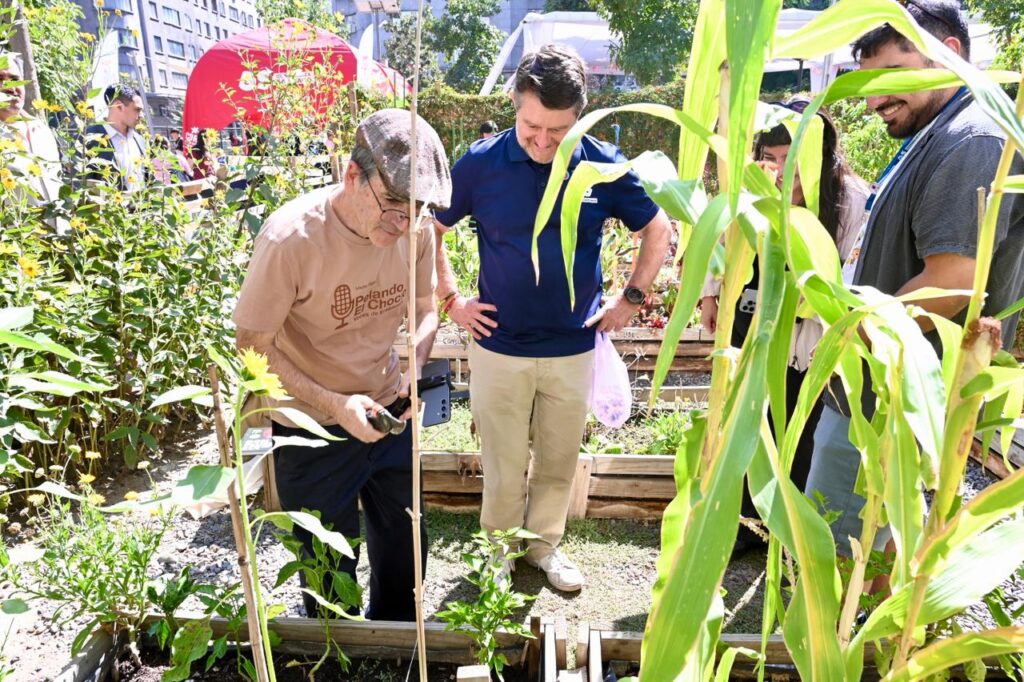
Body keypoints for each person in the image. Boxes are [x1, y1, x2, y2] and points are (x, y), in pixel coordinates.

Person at [433, 44, 672, 592]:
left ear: (579, 116)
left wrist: (631, 299)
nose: (543, 142)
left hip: (573, 347)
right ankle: (497, 551)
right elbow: (432, 230)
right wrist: (452, 300)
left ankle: (543, 548)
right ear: (515, 107)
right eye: (531, 127)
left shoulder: (601, 164)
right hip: (499, 347)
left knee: (560, 460)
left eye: (558, 131)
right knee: (502, 461)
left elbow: (657, 230)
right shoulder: (481, 164)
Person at [804, 0, 1024, 558]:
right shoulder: (938, 133)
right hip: (881, 392)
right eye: (866, 83)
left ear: (947, 55)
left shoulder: (971, 140)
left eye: (889, 76)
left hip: (889, 397)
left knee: (834, 560)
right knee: (871, 554)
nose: (873, 100)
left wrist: (850, 338)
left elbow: (952, 282)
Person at [233, 109, 451, 620]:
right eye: (393, 207)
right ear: (352, 175)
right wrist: (334, 404)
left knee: (405, 544)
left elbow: (425, 310)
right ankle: (337, 647)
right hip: (309, 427)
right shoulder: (291, 239)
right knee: (327, 567)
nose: (403, 226)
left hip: (388, 409)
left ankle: (395, 635)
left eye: (415, 212)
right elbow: (252, 345)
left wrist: (414, 368)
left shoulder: (414, 230)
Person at [700, 99, 870, 555]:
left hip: (811, 337)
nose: (781, 172)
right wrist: (711, 294)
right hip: (753, 323)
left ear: (820, 158)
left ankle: (788, 530)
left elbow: (847, 277)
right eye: (770, 158)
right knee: (750, 423)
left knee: (802, 428)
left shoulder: (851, 201)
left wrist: (816, 313)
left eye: (792, 159)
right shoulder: (751, 188)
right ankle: (745, 523)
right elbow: (721, 238)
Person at [0, 52, 62, 224]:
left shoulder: (42, 130)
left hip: (58, 237)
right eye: (0, 79)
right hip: (14, 239)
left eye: (15, 79)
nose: (10, 87)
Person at [83, 83, 148, 191]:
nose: (141, 115)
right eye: (137, 110)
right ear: (118, 106)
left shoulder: (140, 140)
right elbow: (81, 184)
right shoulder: (89, 138)